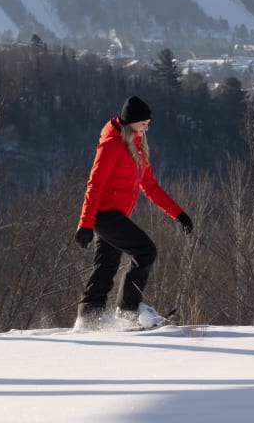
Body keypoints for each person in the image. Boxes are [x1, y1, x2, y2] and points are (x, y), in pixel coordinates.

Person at [74, 96, 193, 330]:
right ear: (131, 122)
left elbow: (150, 187)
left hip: (117, 216)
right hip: (105, 215)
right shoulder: (111, 146)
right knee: (145, 251)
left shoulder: (137, 147)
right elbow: (94, 184)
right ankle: (128, 309)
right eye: (144, 123)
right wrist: (85, 224)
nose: (147, 127)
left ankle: (89, 318)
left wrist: (179, 214)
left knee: (106, 267)